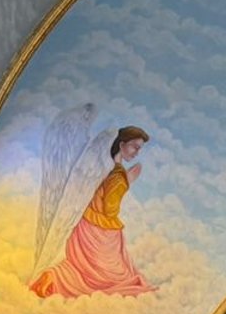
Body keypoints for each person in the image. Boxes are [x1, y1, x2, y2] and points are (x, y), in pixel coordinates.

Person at [29, 127, 157, 299]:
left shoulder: (104, 167)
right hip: (100, 233)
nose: (136, 152)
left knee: (82, 270)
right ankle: (55, 280)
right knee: (116, 278)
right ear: (122, 144)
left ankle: (53, 277)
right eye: (134, 146)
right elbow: (110, 210)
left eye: (139, 148)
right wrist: (126, 183)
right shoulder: (118, 176)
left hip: (84, 226)